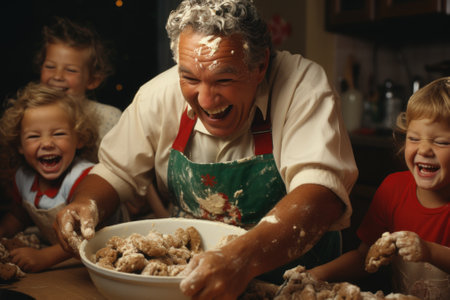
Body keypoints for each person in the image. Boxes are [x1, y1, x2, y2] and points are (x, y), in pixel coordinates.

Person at [53, 0, 358, 298]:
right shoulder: (158, 95)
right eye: (190, 79)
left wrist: (241, 258)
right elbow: (115, 171)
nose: (206, 100)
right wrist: (86, 202)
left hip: (295, 283)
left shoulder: (301, 85)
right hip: (188, 284)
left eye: (224, 79)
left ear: (260, 64)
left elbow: (320, 196)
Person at [308, 77, 450, 299]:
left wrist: (430, 251)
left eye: (441, 142)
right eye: (414, 138)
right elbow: (364, 258)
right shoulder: (394, 189)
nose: (424, 149)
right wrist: (317, 274)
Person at [0, 82, 124, 272]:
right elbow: (19, 216)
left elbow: (90, 235)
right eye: (34, 137)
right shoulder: (22, 178)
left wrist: (44, 257)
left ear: (79, 138)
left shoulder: (85, 178)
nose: (47, 143)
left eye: (58, 134)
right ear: (19, 145)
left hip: (104, 253)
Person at [35, 16, 122, 142]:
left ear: (93, 80)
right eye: (50, 66)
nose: (57, 76)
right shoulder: (29, 114)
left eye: (70, 70)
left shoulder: (109, 117)